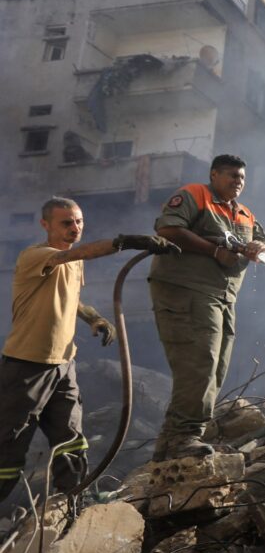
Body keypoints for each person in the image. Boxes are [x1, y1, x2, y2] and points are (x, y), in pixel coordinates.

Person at [0, 197, 179, 502]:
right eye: (66, 223)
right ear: (46, 225)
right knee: (9, 444)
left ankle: (70, 501)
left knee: (70, 438)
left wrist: (94, 318)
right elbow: (80, 253)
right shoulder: (36, 255)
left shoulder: (73, 260)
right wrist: (126, 242)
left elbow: (73, 299)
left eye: (79, 222)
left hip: (63, 364)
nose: (75, 228)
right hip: (27, 365)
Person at [148, 154, 265, 461]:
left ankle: (173, 440)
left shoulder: (244, 214)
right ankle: (182, 437)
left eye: (241, 177)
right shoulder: (195, 195)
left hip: (224, 297)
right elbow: (168, 230)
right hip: (188, 290)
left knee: (216, 368)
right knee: (199, 361)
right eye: (231, 175)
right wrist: (215, 251)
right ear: (214, 175)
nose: (237, 182)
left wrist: (260, 248)